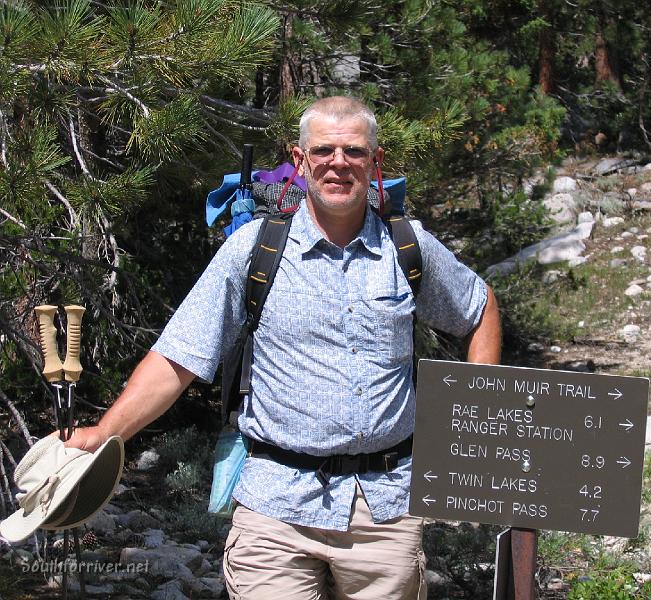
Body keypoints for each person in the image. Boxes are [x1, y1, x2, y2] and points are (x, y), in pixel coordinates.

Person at [65, 96, 501, 599]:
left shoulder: (409, 247)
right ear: (299, 160)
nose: (339, 163)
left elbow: (479, 308)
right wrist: (107, 433)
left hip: (384, 510)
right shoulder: (252, 249)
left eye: (354, 152)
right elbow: (178, 358)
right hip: (274, 510)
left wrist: (474, 413)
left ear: (375, 162)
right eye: (325, 150)